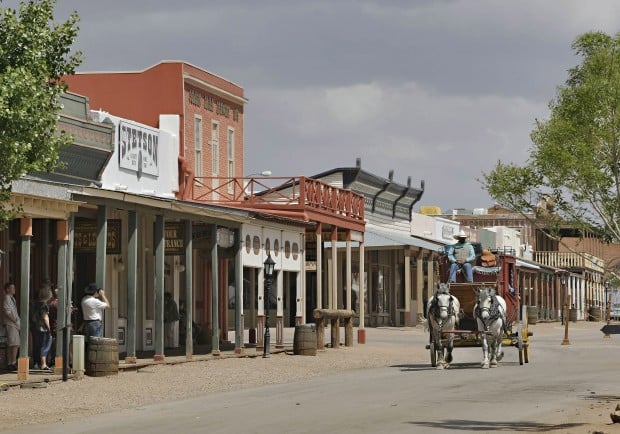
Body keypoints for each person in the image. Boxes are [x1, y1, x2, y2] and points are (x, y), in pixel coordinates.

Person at [32, 287, 53, 371]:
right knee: (45, 345)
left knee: (36, 345)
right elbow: (45, 317)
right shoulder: (44, 305)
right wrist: (49, 328)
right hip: (43, 327)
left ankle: (36, 363)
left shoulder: (34, 303)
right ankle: (43, 364)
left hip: (35, 327)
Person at [2, 283, 20, 371]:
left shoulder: (12, 298)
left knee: (12, 343)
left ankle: (10, 362)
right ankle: (12, 363)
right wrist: (15, 320)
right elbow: (7, 311)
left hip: (14, 323)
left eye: (14, 287)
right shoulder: (7, 298)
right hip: (11, 323)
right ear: (7, 289)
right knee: (14, 343)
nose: (14, 289)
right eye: (12, 288)